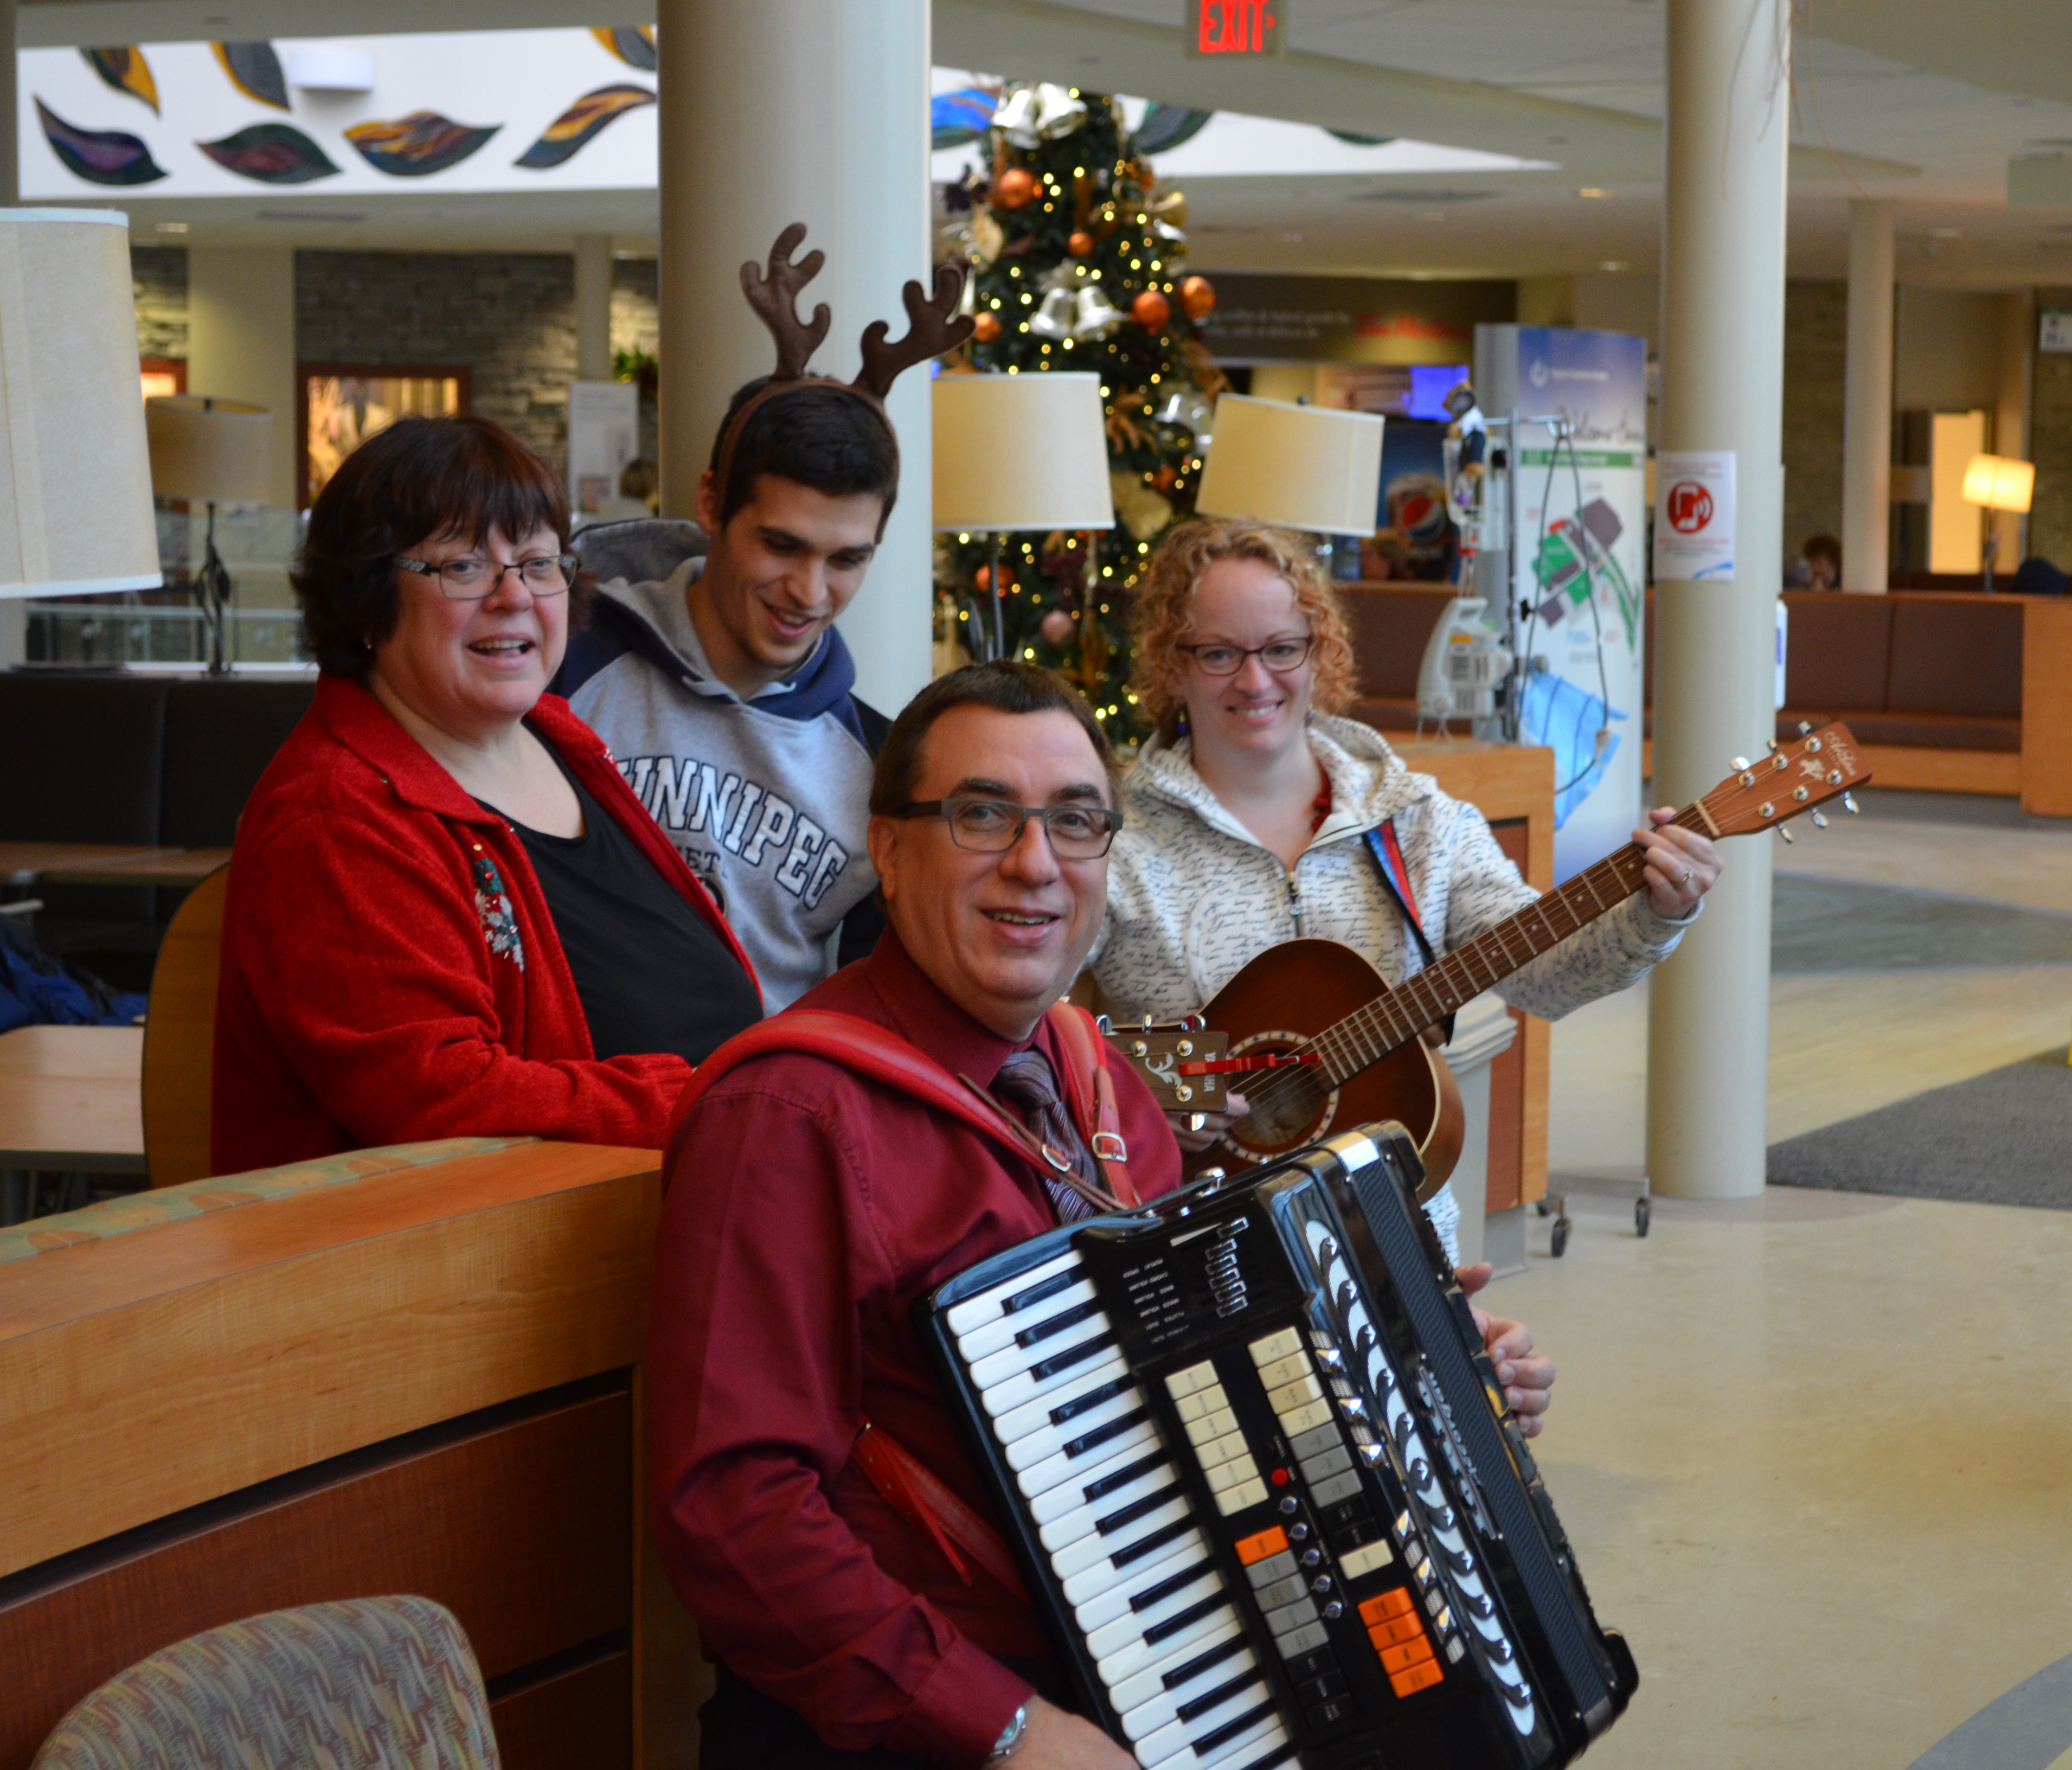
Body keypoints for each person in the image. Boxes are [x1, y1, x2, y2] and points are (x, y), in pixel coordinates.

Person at [646, 662, 1557, 1768]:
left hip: (1159, 1666)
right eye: (982, 815)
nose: (1033, 865)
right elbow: (737, 1518)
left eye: (1075, 823)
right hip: (922, 1726)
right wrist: (1009, 1734)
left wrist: (1421, 1378)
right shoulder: (788, 1113)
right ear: (887, 848)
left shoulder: (1100, 1083)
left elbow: (1214, 1380)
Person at [1088, 516, 1723, 1258]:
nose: (1255, 680)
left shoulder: (1418, 821)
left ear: (1320, 652)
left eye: (1283, 649)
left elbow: (1545, 976)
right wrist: (1147, 1099)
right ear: (1172, 664)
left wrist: (1655, 914)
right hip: (1200, 1251)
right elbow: (1027, 1031)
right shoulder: (1110, 842)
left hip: (1394, 1245)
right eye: (1220, 653)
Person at [212, 415, 762, 1177]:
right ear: (367, 600)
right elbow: (437, 1100)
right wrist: (719, 1100)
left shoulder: (559, 737)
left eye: (538, 563)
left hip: (679, 1207)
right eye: (464, 567)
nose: (515, 597)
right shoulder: (336, 818)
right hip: (465, 1275)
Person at [554, 228, 965, 1011]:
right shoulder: (564, 664)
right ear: (711, 503)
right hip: (564, 1109)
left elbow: (867, 1008)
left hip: (759, 1120)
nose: (809, 592)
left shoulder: (879, 769)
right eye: (782, 545)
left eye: (848, 560)